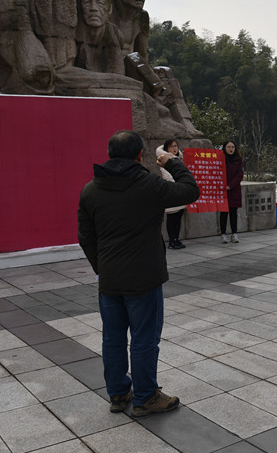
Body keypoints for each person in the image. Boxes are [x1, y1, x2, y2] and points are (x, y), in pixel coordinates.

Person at [78, 130, 199, 417]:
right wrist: (172, 161)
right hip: (144, 278)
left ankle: (119, 394)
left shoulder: (90, 190)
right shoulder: (149, 185)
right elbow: (190, 190)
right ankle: (146, 396)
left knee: (113, 338)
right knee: (144, 339)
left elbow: (86, 237)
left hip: (110, 280)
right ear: (139, 155)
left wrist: (101, 267)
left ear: (109, 154)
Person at [156, 139, 187, 250]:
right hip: (172, 191)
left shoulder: (179, 159)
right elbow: (168, 176)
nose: (174, 148)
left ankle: (176, 239)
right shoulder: (165, 160)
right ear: (167, 148)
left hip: (180, 191)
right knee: (172, 217)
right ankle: (172, 240)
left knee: (178, 217)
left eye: (176, 146)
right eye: (171, 146)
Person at [220, 140, 244, 244]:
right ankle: (223, 234)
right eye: (229, 147)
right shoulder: (220, 159)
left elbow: (240, 175)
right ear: (224, 148)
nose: (231, 149)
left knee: (233, 213)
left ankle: (234, 234)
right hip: (223, 190)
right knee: (223, 213)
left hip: (234, 190)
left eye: (233, 147)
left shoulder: (238, 159)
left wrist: (230, 185)